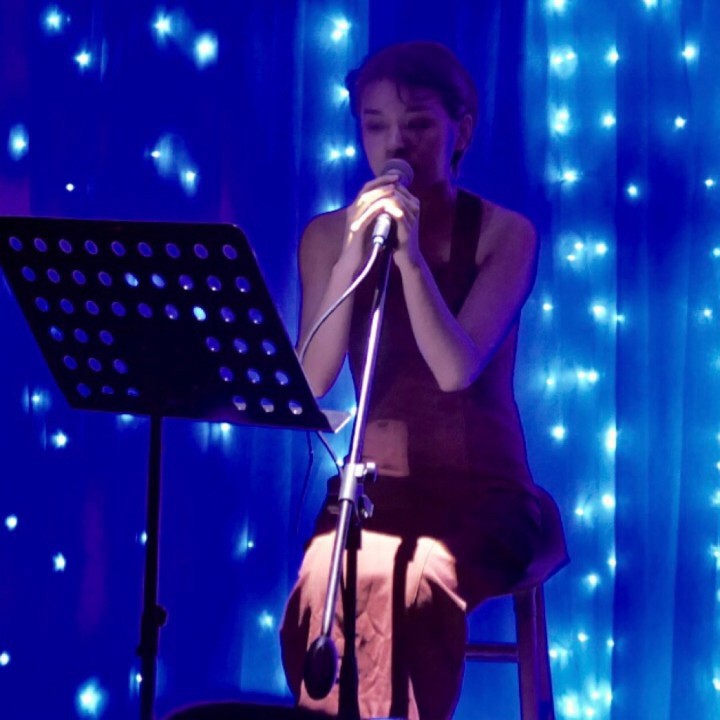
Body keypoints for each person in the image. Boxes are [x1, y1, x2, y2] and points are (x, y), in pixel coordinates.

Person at [280, 40, 565, 720]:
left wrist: (409, 262)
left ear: (460, 131)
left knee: (412, 580)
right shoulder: (328, 236)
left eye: (417, 125)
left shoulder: (505, 234)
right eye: (375, 125)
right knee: (321, 583)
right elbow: (312, 381)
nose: (395, 144)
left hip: (482, 496)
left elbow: (454, 369)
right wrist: (354, 254)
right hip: (375, 492)